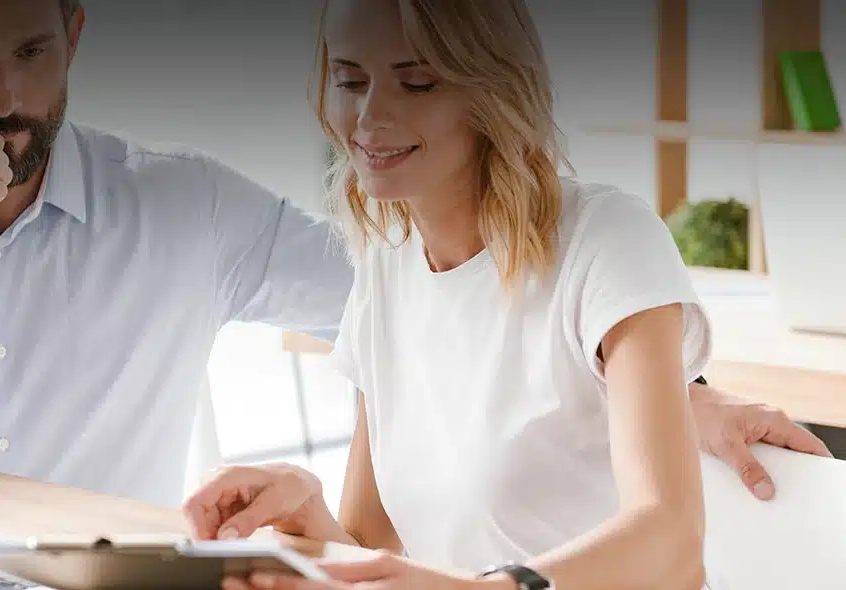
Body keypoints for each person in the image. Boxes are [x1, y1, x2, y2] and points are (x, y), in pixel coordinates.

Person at [0, 0, 826, 511]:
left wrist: (667, 390)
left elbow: (451, 297)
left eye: (31, 53)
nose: (0, 98)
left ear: (75, 34)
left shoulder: (181, 206)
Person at [182, 1, 747, 588]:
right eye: (350, 81)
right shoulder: (386, 264)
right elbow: (369, 549)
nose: (370, 117)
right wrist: (306, 507)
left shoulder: (609, 242)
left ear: (493, 92)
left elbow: (672, 546)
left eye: (417, 82)